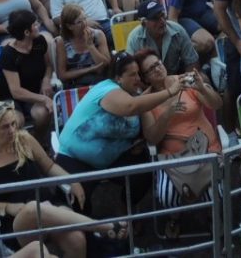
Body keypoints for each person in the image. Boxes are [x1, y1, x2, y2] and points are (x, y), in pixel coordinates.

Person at [0, 100, 115, 257]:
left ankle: (101, 227)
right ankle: (103, 227)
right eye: (5, 127)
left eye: (13, 124)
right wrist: (7, 207)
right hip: (15, 220)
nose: (12, 130)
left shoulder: (24, 139)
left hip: (48, 206)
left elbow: (49, 166)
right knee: (32, 208)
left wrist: (72, 180)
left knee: (77, 240)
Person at [54, 52, 180, 215]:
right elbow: (130, 107)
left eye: (138, 74)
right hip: (75, 158)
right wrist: (170, 92)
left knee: (143, 173)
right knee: (77, 202)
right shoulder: (107, 88)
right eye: (132, 75)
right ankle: (90, 235)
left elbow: (143, 128)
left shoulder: (135, 96)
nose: (137, 79)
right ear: (118, 78)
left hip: (110, 160)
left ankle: (125, 211)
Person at [135, 47, 221, 224]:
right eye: (150, 69)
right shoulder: (146, 101)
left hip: (206, 149)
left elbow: (216, 104)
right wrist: (167, 114)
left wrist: (203, 89)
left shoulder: (185, 81)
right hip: (173, 159)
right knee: (166, 197)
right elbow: (152, 138)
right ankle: (175, 216)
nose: (157, 69)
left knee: (216, 193)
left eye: (157, 63)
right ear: (144, 78)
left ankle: (211, 214)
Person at [0, 8, 55, 140]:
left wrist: (46, 79)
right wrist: (43, 98)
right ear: (27, 32)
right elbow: (16, 91)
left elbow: (48, 65)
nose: (39, 26)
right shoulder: (8, 55)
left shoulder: (40, 41)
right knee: (16, 121)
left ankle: (38, 143)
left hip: (33, 91)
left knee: (43, 113)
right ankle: (17, 152)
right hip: (9, 97)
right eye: (35, 24)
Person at [54, 2, 111, 87]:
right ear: (70, 26)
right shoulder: (62, 42)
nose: (84, 24)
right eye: (79, 22)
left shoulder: (98, 35)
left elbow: (106, 64)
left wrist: (91, 47)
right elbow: (62, 75)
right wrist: (89, 70)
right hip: (75, 83)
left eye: (85, 19)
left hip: (98, 80)